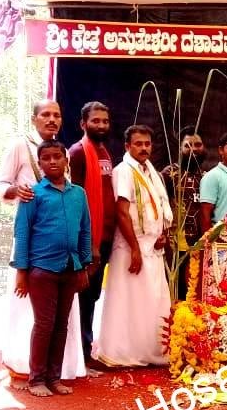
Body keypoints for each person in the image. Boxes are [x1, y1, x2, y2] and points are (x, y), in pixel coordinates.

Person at [0, 99, 86, 389]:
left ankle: (59, 371)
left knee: (61, 320)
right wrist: (15, 190)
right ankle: (26, 369)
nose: (51, 119)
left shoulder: (60, 150)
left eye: (56, 115)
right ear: (34, 119)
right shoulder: (20, 145)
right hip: (30, 243)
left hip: (65, 254)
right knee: (32, 314)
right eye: (45, 114)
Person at [11, 140, 91, 397]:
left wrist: (83, 266)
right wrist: (22, 272)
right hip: (41, 270)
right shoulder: (33, 195)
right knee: (44, 324)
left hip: (70, 268)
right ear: (40, 163)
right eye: (46, 158)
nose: (53, 161)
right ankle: (37, 379)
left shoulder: (78, 194)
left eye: (57, 156)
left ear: (66, 160)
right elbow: (22, 233)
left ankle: (54, 378)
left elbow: (85, 231)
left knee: (61, 325)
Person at [95, 125, 173, 366]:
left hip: (153, 246)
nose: (144, 148)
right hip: (131, 247)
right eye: (138, 144)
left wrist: (162, 233)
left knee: (152, 299)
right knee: (129, 301)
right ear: (127, 146)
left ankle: (150, 349)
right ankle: (123, 352)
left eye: (147, 144)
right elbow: (122, 212)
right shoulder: (123, 171)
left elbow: (159, 206)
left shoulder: (151, 171)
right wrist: (135, 249)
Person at [68, 101, 115, 376]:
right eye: (95, 121)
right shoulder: (77, 152)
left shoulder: (104, 151)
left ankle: (85, 349)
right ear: (83, 123)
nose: (101, 125)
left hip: (106, 236)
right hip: (89, 239)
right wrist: (89, 244)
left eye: (105, 121)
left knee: (93, 295)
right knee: (83, 297)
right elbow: (76, 200)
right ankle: (81, 357)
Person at [161, 125, 206, 300]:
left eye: (198, 145)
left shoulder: (207, 176)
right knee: (175, 289)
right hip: (175, 245)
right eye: (188, 145)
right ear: (180, 148)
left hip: (201, 243)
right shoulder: (169, 174)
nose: (194, 149)